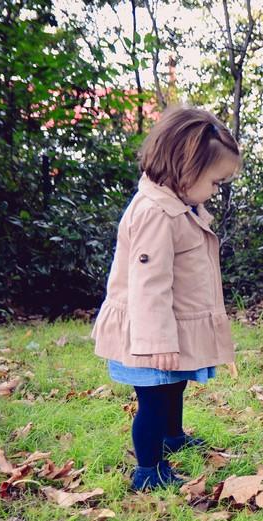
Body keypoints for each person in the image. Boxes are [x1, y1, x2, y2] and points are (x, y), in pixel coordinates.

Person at [90, 106, 241, 491]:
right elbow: (148, 285)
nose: (215, 192)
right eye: (215, 182)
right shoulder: (157, 213)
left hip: (171, 322)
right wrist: (157, 341)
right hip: (149, 330)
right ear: (185, 169)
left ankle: (173, 436)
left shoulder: (180, 207)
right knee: (154, 397)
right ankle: (148, 468)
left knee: (175, 385)